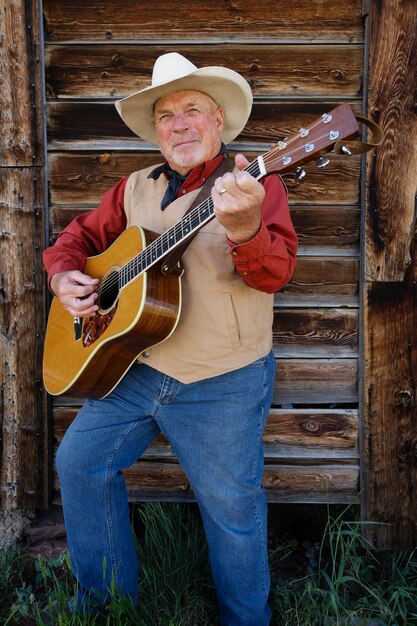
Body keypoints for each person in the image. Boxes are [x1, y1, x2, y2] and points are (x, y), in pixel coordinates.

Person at [43, 52, 298, 626]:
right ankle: (105, 607)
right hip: (133, 367)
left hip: (222, 378)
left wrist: (245, 227)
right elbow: (76, 238)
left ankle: (246, 619)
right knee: (80, 463)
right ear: (156, 130)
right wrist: (64, 275)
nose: (179, 123)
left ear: (217, 120)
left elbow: (274, 274)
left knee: (230, 507)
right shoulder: (134, 187)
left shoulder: (255, 183)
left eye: (192, 110)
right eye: (166, 115)